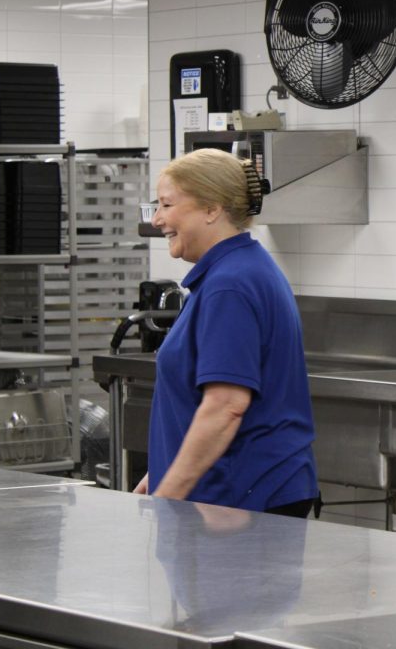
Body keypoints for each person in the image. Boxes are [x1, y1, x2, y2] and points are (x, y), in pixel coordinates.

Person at [134, 148, 318, 517]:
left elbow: (226, 406)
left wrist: (168, 493)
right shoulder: (239, 270)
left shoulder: (230, 286)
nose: (156, 219)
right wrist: (163, 470)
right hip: (237, 494)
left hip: (238, 501)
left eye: (167, 205)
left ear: (211, 209)